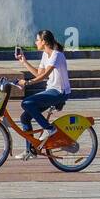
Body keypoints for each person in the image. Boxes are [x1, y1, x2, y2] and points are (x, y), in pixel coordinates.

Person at [14, 29, 71, 158]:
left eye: (37, 40)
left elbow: (45, 75)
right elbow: (39, 74)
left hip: (60, 92)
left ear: (44, 41)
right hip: (51, 90)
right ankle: (30, 151)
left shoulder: (57, 55)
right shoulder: (46, 55)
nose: (35, 42)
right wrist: (24, 62)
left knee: (26, 103)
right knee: (25, 118)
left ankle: (49, 129)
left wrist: (27, 83)